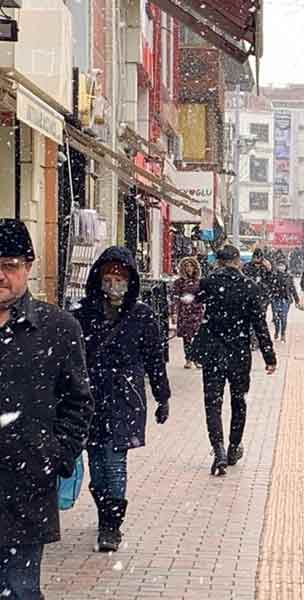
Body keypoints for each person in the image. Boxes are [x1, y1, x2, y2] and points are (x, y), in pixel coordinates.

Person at [0, 219, 94, 598]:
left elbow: (79, 402)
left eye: (9, 264)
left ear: (29, 267)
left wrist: (54, 454)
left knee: (21, 589)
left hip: (25, 485)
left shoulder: (57, 327)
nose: (1, 275)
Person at [73, 247, 171, 553]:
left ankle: (111, 525)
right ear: (99, 277)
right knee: (97, 464)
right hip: (90, 398)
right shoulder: (82, 313)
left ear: (130, 281)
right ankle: (105, 509)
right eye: (109, 275)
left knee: (115, 462)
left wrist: (162, 396)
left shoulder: (141, 315)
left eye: (121, 276)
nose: (114, 282)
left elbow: (155, 358)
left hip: (124, 397)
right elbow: (69, 360)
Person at [192, 245, 277, 476]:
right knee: (239, 401)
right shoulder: (249, 286)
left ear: (218, 262)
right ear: (238, 261)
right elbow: (259, 323)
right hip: (239, 352)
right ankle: (233, 446)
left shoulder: (209, 283)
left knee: (213, 402)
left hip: (213, 352)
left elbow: (194, 300)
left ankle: (217, 449)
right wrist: (269, 356)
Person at [171, 256, 204, 369]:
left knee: (198, 336)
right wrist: (174, 312)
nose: (189, 268)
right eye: (186, 266)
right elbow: (174, 297)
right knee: (187, 337)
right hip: (184, 312)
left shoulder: (200, 282)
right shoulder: (179, 282)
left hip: (197, 312)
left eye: (191, 266)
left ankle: (197, 359)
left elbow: (203, 296)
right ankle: (188, 358)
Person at [269, 260, 301, 343]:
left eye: (282, 265)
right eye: (279, 265)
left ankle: (283, 333)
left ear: (285, 267)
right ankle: (277, 330)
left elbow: (292, 288)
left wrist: (297, 299)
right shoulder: (273, 276)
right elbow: (269, 288)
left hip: (285, 300)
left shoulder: (288, 277)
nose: (281, 267)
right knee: (276, 317)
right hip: (275, 299)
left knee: (283, 318)